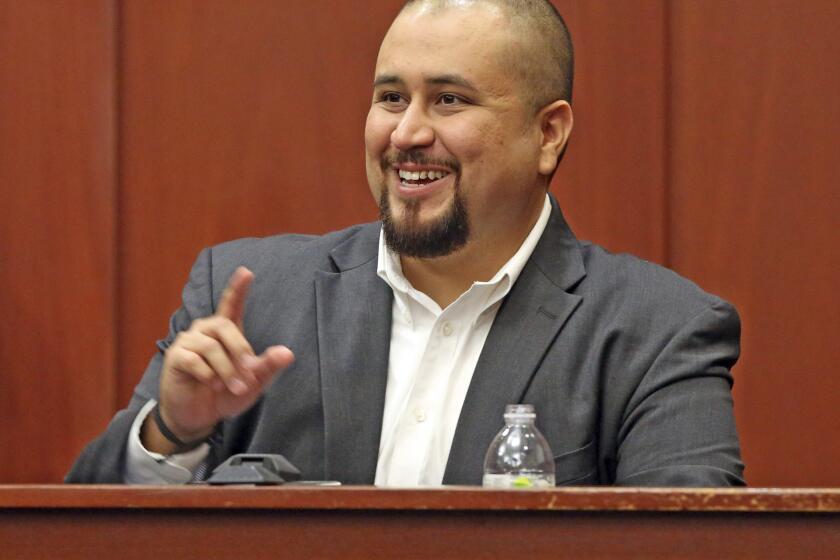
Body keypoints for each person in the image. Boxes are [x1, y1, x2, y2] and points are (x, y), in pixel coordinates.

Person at [67, 0, 745, 486]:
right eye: (392, 98)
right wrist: (174, 435)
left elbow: (697, 546)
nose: (406, 133)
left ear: (548, 134)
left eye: (448, 100)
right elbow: (80, 536)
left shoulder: (656, 331)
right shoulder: (251, 299)